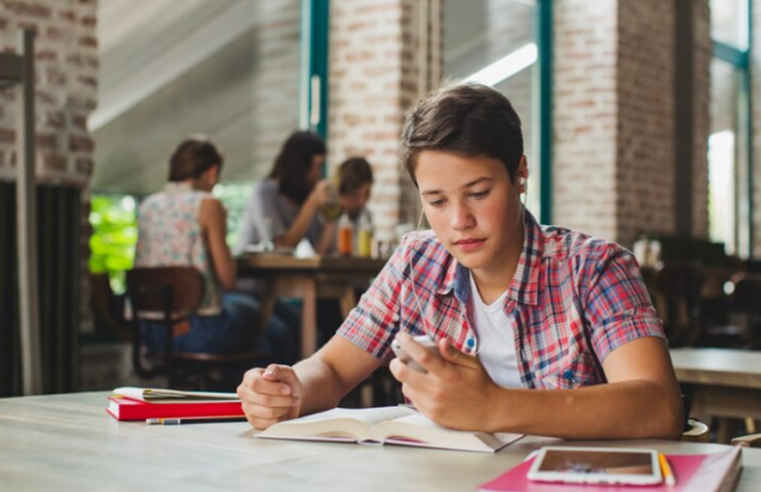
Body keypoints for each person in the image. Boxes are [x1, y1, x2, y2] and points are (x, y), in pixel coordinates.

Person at [236, 84, 683, 440]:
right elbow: (331, 369)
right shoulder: (417, 260)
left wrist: (494, 407)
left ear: (520, 175)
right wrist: (289, 390)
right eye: (436, 201)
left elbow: (659, 405)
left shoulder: (595, 267)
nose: (459, 221)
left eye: (478, 193)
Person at [134, 135, 291, 362]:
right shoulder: (208, 204)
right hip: (197, 331)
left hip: (151, 333)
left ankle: (220, 384)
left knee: (263, 322)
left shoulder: (148, 205)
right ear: (211, 172)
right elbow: (228, 279)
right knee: (270, 323)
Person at [235, 131, 336, 256]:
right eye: (317, 166)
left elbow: (321, 250)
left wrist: (332, 214)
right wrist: (312, 203)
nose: (319, 173)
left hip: (282, 271)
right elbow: (279, 246)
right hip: (251, 271)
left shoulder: (304, 198)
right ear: (301, 165)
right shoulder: (265, 191)